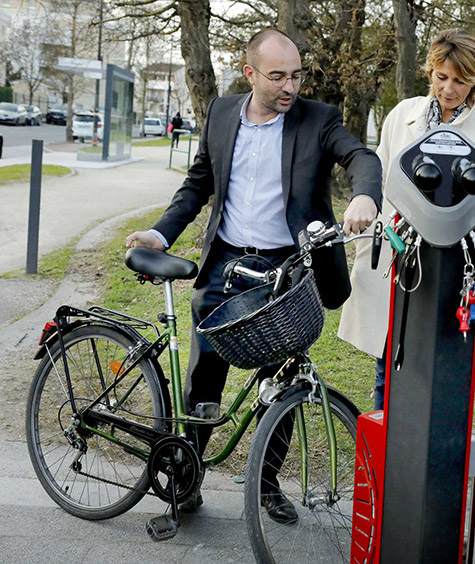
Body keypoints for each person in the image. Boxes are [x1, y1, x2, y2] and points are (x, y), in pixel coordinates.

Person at [125, 29, 381, 520]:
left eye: (298, 75)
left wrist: (366, 195)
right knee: (204, 377)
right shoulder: (222, 113)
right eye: (278, 76)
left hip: (283, 270)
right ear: (249, 73)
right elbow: (199, 183)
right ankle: (187, 478)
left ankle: (266, 487)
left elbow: (360, 157)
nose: (290, 86)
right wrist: (161, 234)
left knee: (281, 378)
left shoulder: (318, 119)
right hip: (224, 262)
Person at [337, 28, 475, 411]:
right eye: (441, 77)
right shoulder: (403, 116)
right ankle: (388, 455)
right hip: (395, 261)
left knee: (445, 365)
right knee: (391, 358)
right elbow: (380, 178)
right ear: (430, 71)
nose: (449, 89)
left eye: (461, 80)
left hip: (454, 267)